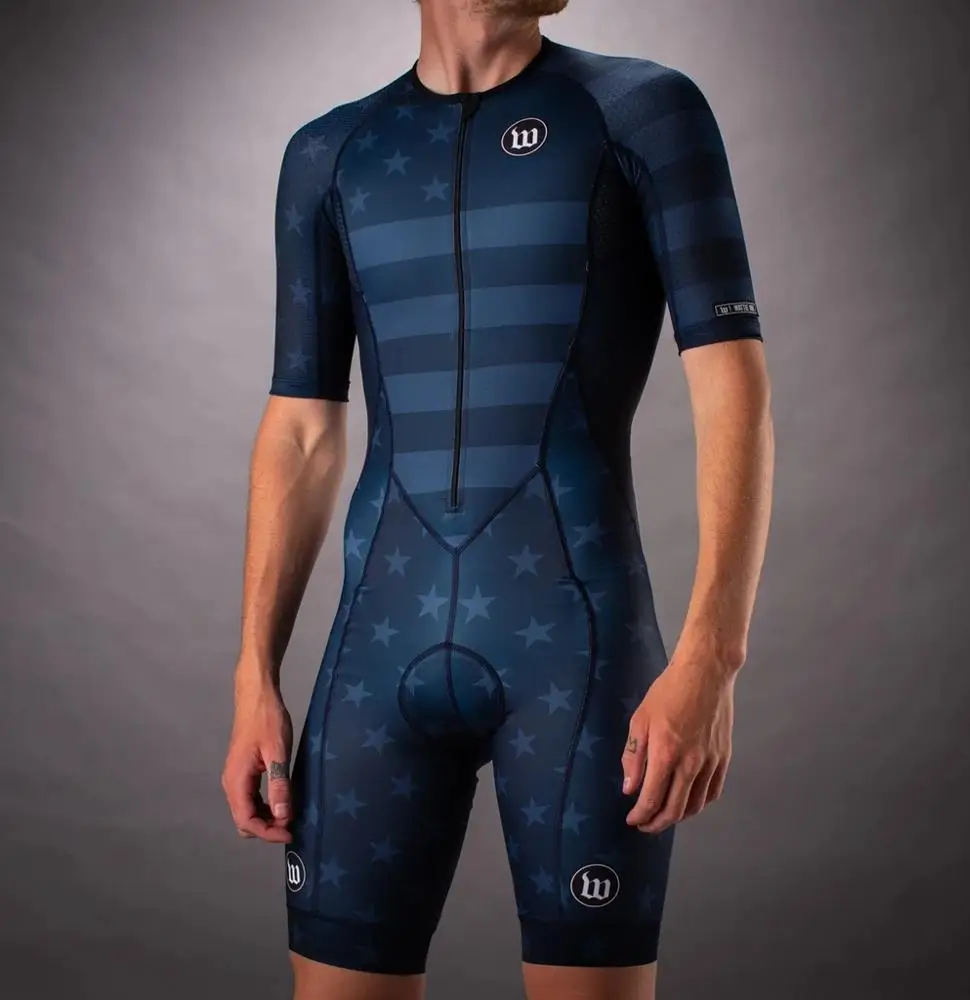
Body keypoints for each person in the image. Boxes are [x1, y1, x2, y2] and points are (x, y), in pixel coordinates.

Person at [222, 0, 774, 997]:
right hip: (373, 657)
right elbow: (300, 427)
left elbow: (731, 388)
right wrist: (254, 672)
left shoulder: (642, 114)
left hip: (576, 652)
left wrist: (713, 657)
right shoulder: (330, 156)